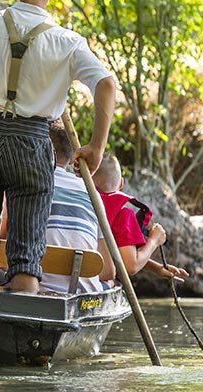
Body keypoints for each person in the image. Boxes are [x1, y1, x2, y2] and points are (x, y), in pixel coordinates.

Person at [0, 0, 117, 293]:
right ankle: (23, 334)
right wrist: (96, 148)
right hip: (32, 142)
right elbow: (106, 84)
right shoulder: (68, 42)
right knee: (26, 258)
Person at [41, 121, 116, 293]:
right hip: (82, 293)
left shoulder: (28, 184)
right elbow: (108, 271)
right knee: (111, 283)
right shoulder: (91, 192)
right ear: (70, 156)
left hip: (36, 289)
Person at [92, 155, 188, 281]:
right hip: (99, 280)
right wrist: (154, 240)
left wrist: (157, 268)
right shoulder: (124, 215)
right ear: (121, 183)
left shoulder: (83, 204)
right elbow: (131, 266)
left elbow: (122, 255)